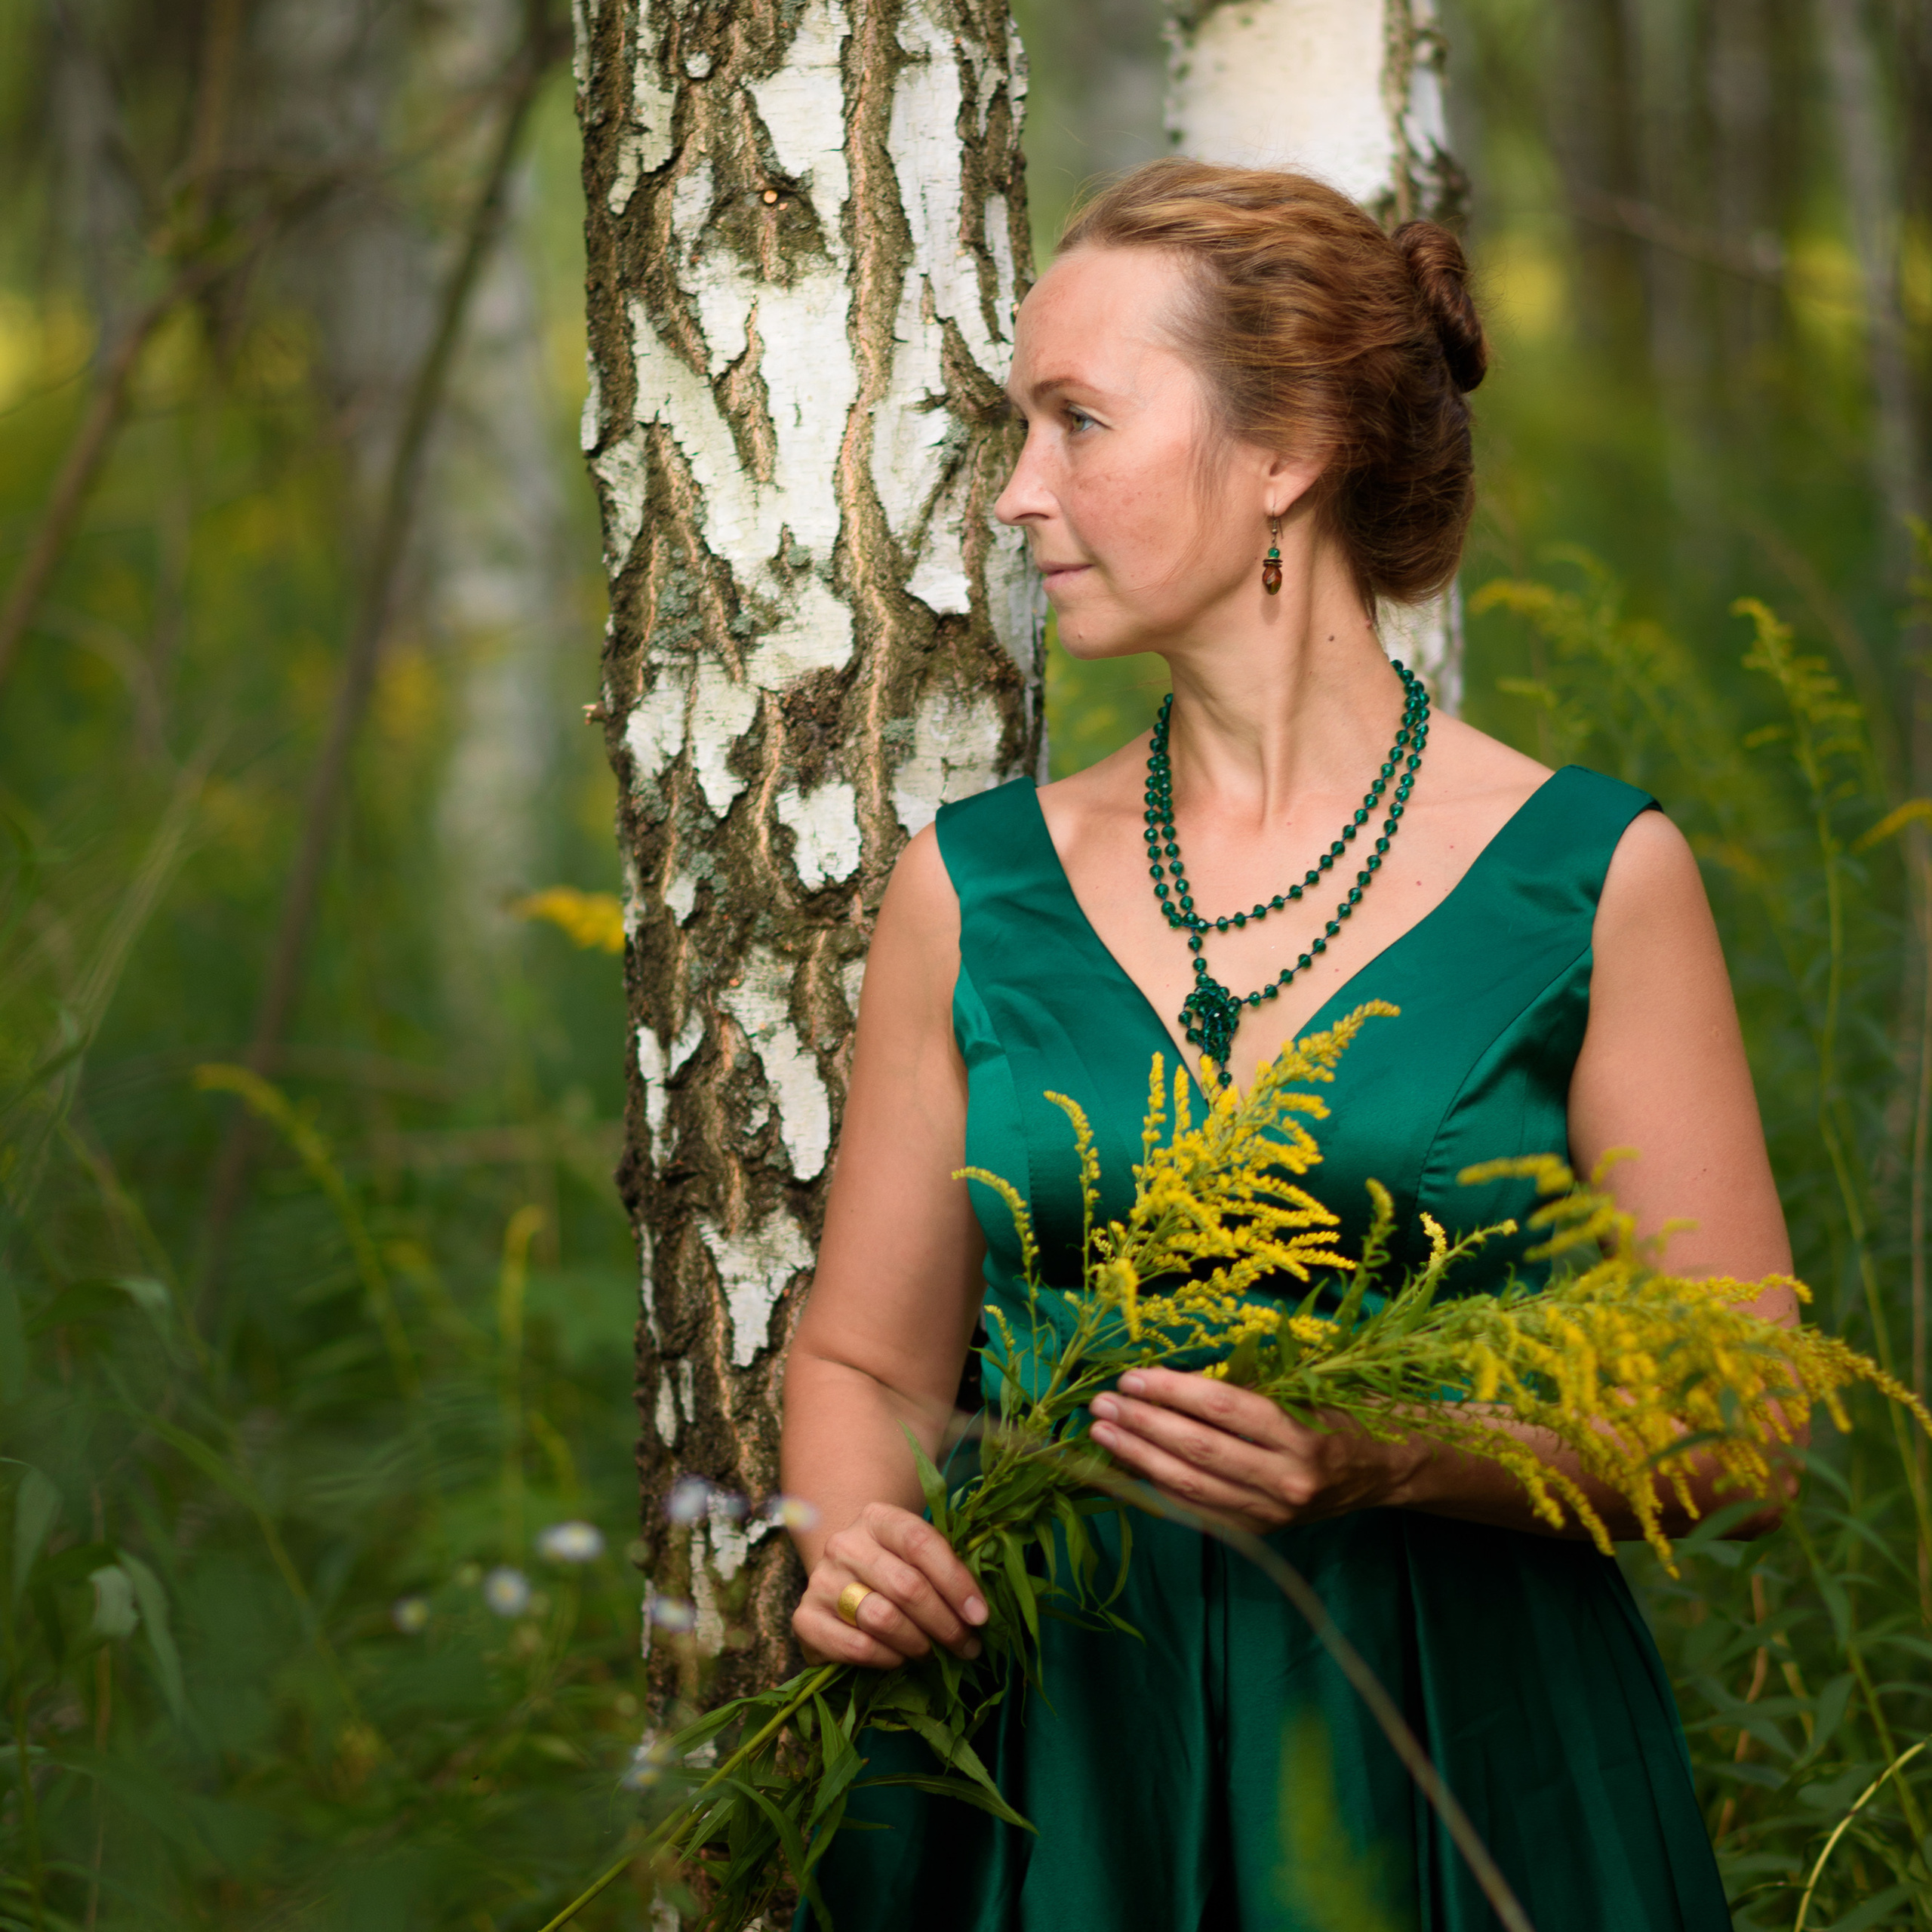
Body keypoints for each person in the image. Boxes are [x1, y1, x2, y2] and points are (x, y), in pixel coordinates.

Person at [779, 160, 1793, 1930]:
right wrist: (852, 1529)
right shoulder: (972, 888)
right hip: (1052, 1765)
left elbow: (1745, 1419)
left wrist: (1389, 1451)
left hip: (1455, 1753)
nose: (1018, 494)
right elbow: (868, 1365)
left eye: (1077, 421)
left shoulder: (1591, 876)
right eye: (1020, 429)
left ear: (1285, 448)